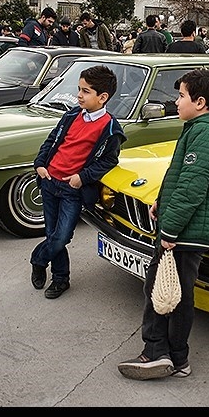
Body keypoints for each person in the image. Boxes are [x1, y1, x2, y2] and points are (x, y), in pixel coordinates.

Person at [117, 68, 209, 380]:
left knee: (164, 289)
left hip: (190, 228)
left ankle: (158, 353)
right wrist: (162, 199)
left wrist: (171, 230)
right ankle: (174, 357)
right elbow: (181, 178)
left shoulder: (205, 132)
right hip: (192, 224)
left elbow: (193, 187)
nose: (176, 101)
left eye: (181, 96)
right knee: (174, 290)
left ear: (200, 102)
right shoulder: (201, 127)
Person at [29, 65, 127, 299]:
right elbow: (52, 140)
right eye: (79, 89)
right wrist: (40, 164)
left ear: (102, 97)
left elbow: (109, 160)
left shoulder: (110, 128)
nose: (79, 95)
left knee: (62, 236)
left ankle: (38, 260)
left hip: (72, 188)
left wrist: (81, 178)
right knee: (53, 232)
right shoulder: (72, 115)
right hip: (49, 181)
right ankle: (61, 279)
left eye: (85, 91)